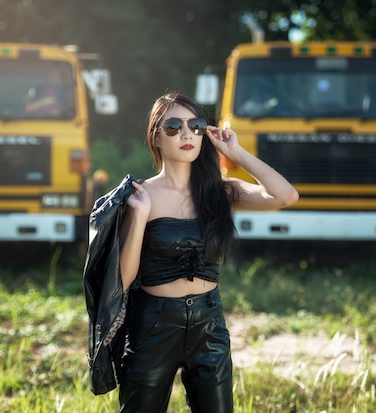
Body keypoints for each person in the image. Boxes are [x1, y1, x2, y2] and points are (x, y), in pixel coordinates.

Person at [117, 91, 298, 412]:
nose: (186, 134)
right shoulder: (141, 195)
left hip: (209, 324)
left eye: (195, 125)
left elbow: (285, 196)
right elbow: (124, 277)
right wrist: (141, 216)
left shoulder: (221, 191)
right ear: (156, 138)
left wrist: (235, 151)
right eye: (173, 127)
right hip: (154, 325)